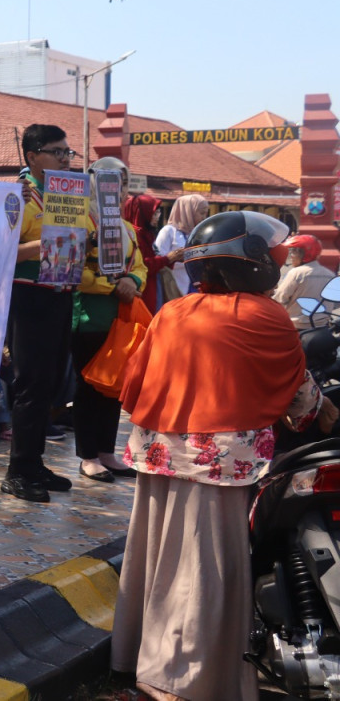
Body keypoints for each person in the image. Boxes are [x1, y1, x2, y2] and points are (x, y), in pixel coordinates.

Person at [111, 210, 337, 701]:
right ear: (252, 263)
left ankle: (138, 659)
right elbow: (302, 403)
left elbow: (132, 384)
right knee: (201, 569)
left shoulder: (173, 312)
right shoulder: (266, 315)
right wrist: (324, 411)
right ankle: (182, 680)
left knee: (156, 558)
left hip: (159, 452)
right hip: (218, 462)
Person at [3, 124, 81, 503]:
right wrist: (45, 241)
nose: (66, 159)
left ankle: (34, 463)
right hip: (28, 297)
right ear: (32, 157)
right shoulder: (16, 196)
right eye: (58, 152)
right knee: (30, 386)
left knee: (50, 385)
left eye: (69, 152)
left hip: (60, 292)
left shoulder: (69, 195)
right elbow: (2, 250)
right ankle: (18, 471)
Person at [71, 157, 146, 483]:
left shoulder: (127, 228)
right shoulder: (81, 223)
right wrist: (112, 286)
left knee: (114, 387)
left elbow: (140, 266)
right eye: (113, 183)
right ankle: (88, 456)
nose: (120, 190)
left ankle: (106, 451)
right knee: (89, 389)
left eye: (125, 184)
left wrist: (133, 282)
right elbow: (72, 270)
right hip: (88, 318)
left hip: (120, 321)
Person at [273, 233, 338, 329]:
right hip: (323, 327)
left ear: (305, 254)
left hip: (296, 327)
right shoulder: (330, 275)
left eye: (294, 252)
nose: (291, 256)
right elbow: (335, 303)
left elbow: (279, 300)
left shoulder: (296, 273)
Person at [122, 193, 170, 313]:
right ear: (141, 213)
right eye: (154, 213)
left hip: (152, 289)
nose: (157, 217)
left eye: (158, 213)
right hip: (141, 292)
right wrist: (167, 259)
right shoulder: (134, 234)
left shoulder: (147, 234)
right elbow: (143, 265)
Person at [153, 193, 207, 295]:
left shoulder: (198, 234)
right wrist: (176, 258)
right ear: (188, 212)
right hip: (174, 289)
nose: (204, 217)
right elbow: (159, 262)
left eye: (206, 213)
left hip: (195, 290)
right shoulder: (168, 232)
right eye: (201, 213)